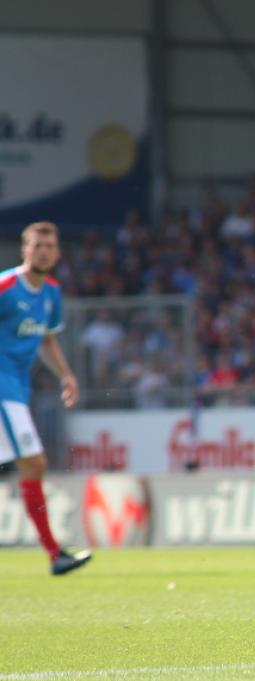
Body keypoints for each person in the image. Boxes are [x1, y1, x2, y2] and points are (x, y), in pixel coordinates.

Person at [0, 222, 91, 575]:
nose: (43, 251)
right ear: (25, 249)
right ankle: (54, 554)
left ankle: (55, 554)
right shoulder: (6, 286)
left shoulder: (51, 292)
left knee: (31, 466)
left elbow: (47, 339)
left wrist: (66, 375)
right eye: (37, 244)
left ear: (57, 254)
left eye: (49, 246)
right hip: (3, 388)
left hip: (17, 390)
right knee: (33, 463)